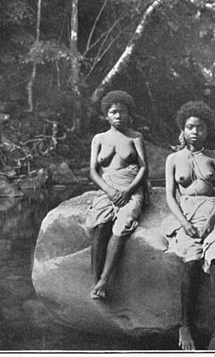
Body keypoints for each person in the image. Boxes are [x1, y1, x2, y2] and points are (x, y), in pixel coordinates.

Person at [165, 100, 215, 350]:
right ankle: (185, 325)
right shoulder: (173, 158)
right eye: (190, 127)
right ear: (182, 130)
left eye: (201, 127)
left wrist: (212, 220)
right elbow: (171, 196)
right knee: (191, 259)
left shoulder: (214, 156)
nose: (195, 132)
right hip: (186, 213)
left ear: (207, 130)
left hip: (212, 210)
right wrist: (183, 222)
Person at [86, 90, 149, 300]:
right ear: (106, 115)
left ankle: (105, 279)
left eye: (122, 111)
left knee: (121, 226)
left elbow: (143, 168)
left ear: (129, 114)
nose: (118, 115)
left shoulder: (135, 137)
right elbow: (93, 171)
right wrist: (110, 191)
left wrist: (128, 191)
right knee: (100, 225)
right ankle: (95, 281)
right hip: (108, 187)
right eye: (113, 112)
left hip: (130, 187)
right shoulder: (99, 139)